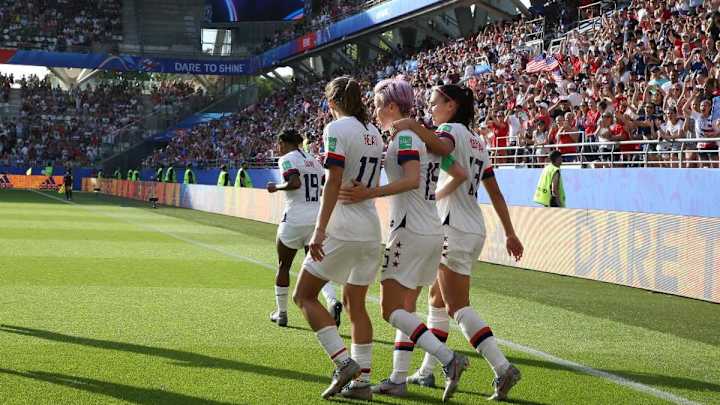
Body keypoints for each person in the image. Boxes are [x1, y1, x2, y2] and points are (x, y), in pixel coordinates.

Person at [339, 78, 470, 401]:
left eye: (377, 104)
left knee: (390, 309)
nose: (374, 109)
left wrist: (370, 193)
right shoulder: (419, 137)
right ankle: (398, 379)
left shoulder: (407, 136)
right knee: (407, 309)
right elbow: (456, 170)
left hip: (409, 230)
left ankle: (449, 358)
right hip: (430, 228)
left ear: (392, 106)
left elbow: (411, 179)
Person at [393, 84, 524, 402]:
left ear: (451, 105)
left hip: (453, 228)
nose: (431, 108)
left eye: (434, 103)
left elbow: (440, 146)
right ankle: (426, 371)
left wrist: (412, 126)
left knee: (457, 306)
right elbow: (494, 192)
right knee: (436, 301)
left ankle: (503, 367)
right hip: (472, 227)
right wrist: (509, 232)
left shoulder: (450, 131)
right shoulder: (479, 142)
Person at [292, 76, 383, 400]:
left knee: (304, 296)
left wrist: (319, 230)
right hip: (371, 230)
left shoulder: (336, 128)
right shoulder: (374, 132)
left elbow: (333, 181)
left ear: (331, 103)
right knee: (356, 305)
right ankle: (363, 384)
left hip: (343, 228)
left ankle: (344, 363)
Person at [266, 129, 341, 328]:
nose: (278, 148)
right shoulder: (313, 160)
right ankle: (332, 301)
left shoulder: (286, 159)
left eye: (279, 144)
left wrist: (275, 187)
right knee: (317, 267)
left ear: (283, 143)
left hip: (295, 218)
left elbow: (294, 182)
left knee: (284, 266)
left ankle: (281, 313)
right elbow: (326, 184)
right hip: (315, 219)